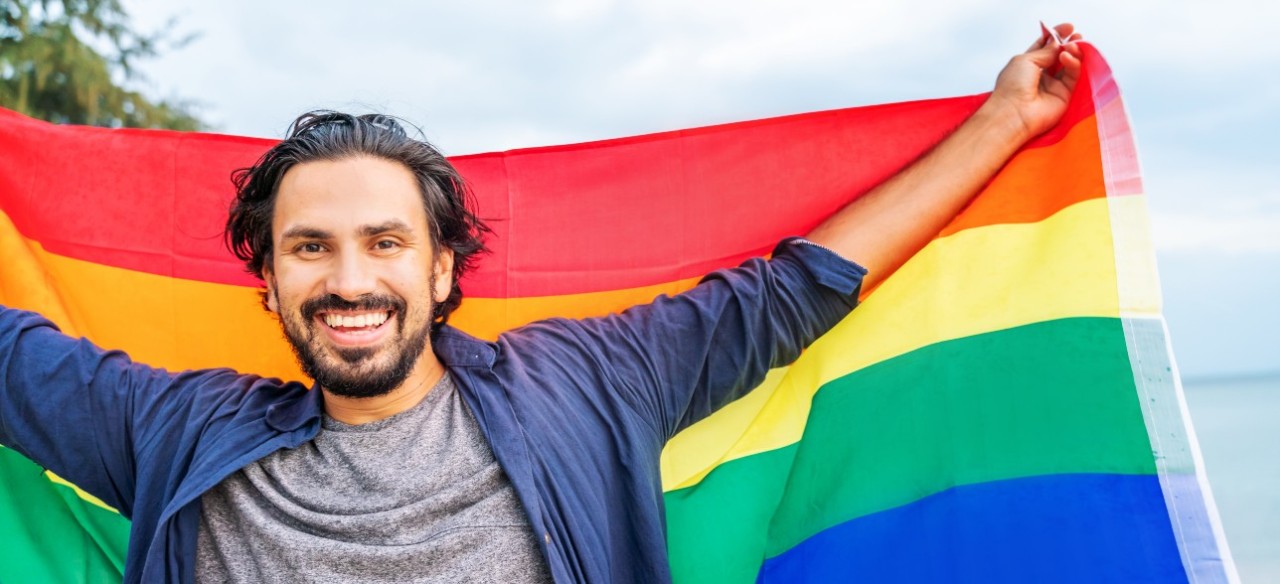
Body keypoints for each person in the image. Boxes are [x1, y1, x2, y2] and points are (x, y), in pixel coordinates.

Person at [0, 24, 1083, 584]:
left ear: (438, 271)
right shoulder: (174, 431)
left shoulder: (582, 387)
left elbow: (791, 291)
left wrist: (999, 124)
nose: (348, 279)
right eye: (309, 247)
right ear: (271, 279)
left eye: (384, 242)